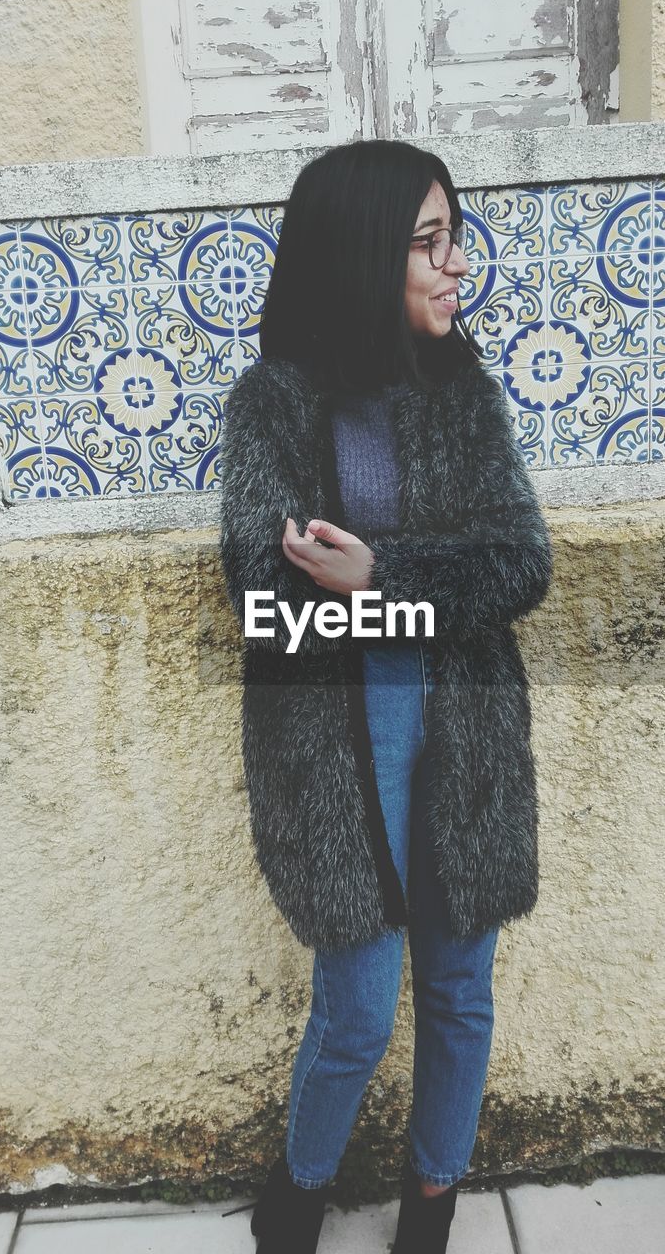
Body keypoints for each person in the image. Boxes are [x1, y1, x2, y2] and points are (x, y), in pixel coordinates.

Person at [218, 139, 552, 1254]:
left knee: (458, 994)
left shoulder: (465, 394)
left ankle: (430, 1206)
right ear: (361, 257)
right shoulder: (270, 405)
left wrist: (381, 578)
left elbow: (521, 565)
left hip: (464, 737)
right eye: (425, 242)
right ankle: (295, 1197)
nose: (454, 264)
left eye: (451, 236)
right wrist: (393, 598)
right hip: (333, 749)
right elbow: (261, 601)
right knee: (356, 1012)